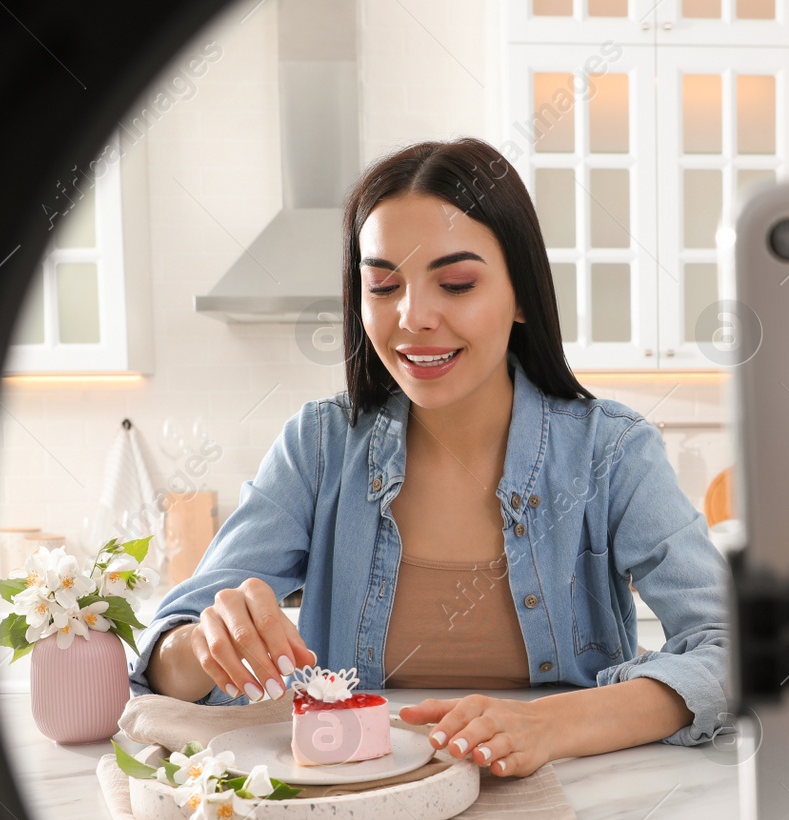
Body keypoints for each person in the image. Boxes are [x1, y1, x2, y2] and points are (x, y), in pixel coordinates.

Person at [132, 137, 731, 777]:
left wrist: (551, 725)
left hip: (571, 797)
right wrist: (207, 643)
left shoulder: (611, 451)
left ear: (523, 295)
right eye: (384, 285)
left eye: (456, 283)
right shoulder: (318, 447)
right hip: (354, 807)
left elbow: (733, 649)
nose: (413, 317)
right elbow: (164, 661)